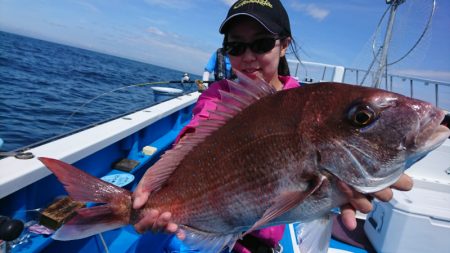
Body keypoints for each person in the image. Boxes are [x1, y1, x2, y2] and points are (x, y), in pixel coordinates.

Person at [133, 0, 413, 252]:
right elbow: (198, 129)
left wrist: (348, 185)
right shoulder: (217, 95)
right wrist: (160, 185)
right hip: (204, 227)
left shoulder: (306, 105)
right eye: (236, 47)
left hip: (263, 240)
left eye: (262, 43)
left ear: (284, 45)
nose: (248, 56)